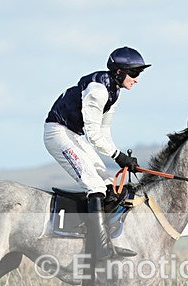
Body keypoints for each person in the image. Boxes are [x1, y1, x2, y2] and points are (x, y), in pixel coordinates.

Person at [43, 46, 150, 260]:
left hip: (73, 134)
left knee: (108, 182)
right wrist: (119, 156)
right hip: (58, 133)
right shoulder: (98, 91)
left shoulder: (115, 91)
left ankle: (104, 238)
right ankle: (100, 249)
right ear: (119, 72)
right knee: (95, 185)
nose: (138, 79)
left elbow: (103, 132)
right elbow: (93, 135)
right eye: (135, 73)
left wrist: (122, 159)